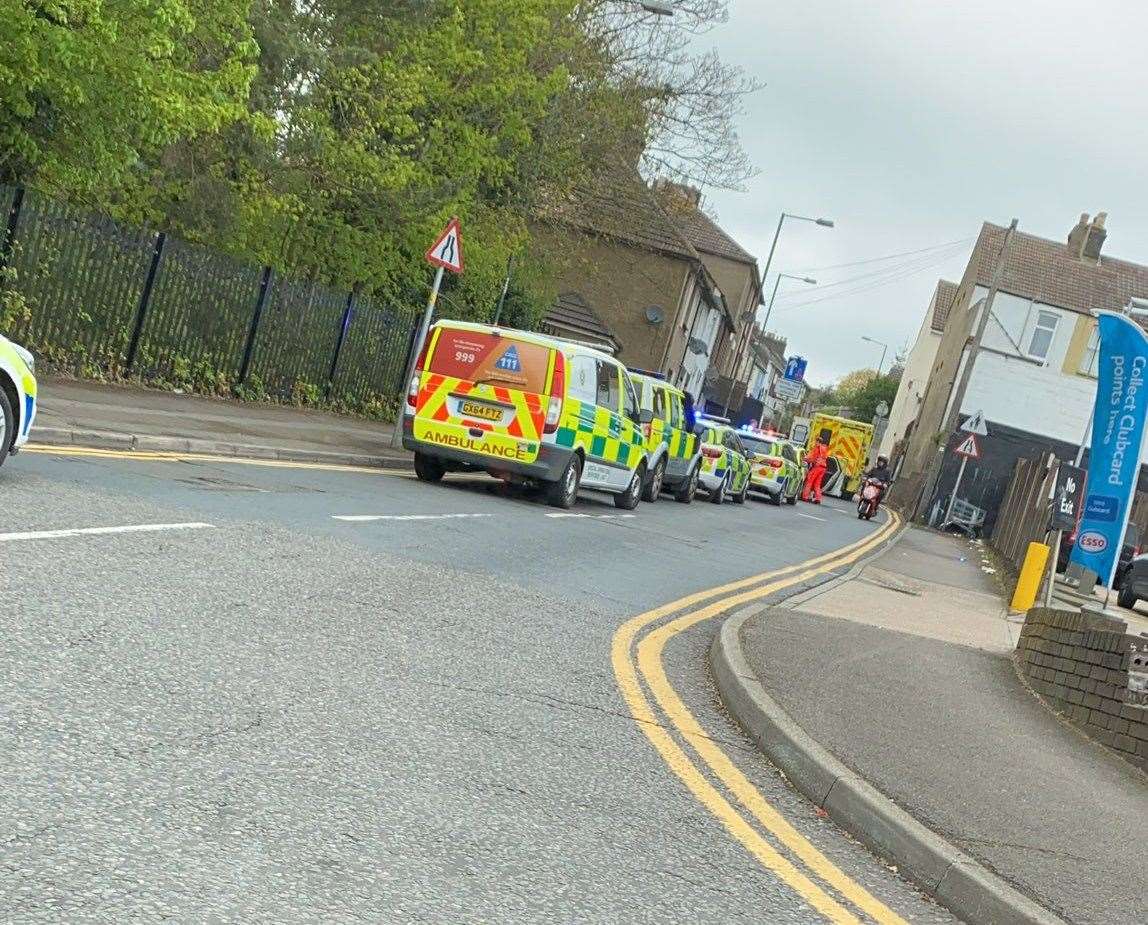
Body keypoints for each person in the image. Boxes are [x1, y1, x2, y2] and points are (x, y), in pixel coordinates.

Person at [801, 435, 830, 503]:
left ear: (818, 442)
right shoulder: (824, 448)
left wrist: (804, 459)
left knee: (809, 481)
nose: (815, 443)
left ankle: (805, 497)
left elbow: (812, 458)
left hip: (817, 467)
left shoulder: (817, 448)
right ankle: (818, 498)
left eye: (815, 442)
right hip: (823, 468)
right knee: (817, 484)